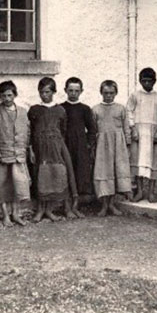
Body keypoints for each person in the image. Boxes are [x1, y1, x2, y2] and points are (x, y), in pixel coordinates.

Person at [28, 77, 79, 222]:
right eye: (42, 92)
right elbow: (31, 131)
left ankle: (49, 210)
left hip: (56, 148)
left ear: (54, 92)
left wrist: (56, 143)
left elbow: (62, 130)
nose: (45, 95)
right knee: (40, 176)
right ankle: (39, 210)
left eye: (48, 92)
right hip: (40, 148)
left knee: (53, 175)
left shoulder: (60, 110)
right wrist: (31, 148)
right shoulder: (34, 110)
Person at [0, 81, 32, 227]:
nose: (7, 99)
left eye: (9, 95)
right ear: (0, 97)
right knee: (3, 185)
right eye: (3, 96)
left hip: (19, 154)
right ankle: (5, 215)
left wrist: (27, 149)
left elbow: (27, 131)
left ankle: (16, 213)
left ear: (15, 95)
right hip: (3, 154)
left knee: (17, 185)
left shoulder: (22, 112)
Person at [93, 80, 132, 216]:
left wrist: (127, 145)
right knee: (104, 172)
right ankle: (103, 205)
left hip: (118, 144)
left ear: (116, 93)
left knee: (116, 172)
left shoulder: (121, 108)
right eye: (105, 93)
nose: (108, 96)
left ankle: (112, 204)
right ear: (101, 93)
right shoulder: (96, 109)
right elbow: (93, 130)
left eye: (111, 93)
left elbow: (126, 127)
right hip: (102, 146)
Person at [126, 68, 157, 203]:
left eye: (149, 81)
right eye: (144, 81)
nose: (147, 84)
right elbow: (129, 112)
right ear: (140, 81)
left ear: (154, 81)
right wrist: (133, 129)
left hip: (154, 133)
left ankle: (151, 192)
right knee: (138, 161)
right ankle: (140, 191)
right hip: (139, 132)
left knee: (154, 162)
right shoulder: (135, 95)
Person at [61, 77, 96, 215]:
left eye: (76, 91)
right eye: (70, 90)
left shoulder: (85, 109)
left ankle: (76, 205)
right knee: (66, 173)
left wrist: (88, 144)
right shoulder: (61, 108)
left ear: (81, 91)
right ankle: (66, 205)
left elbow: (92, 130)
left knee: (79, 174)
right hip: (65, 145)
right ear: (65, 90)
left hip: (80, 146)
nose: (73, 93)